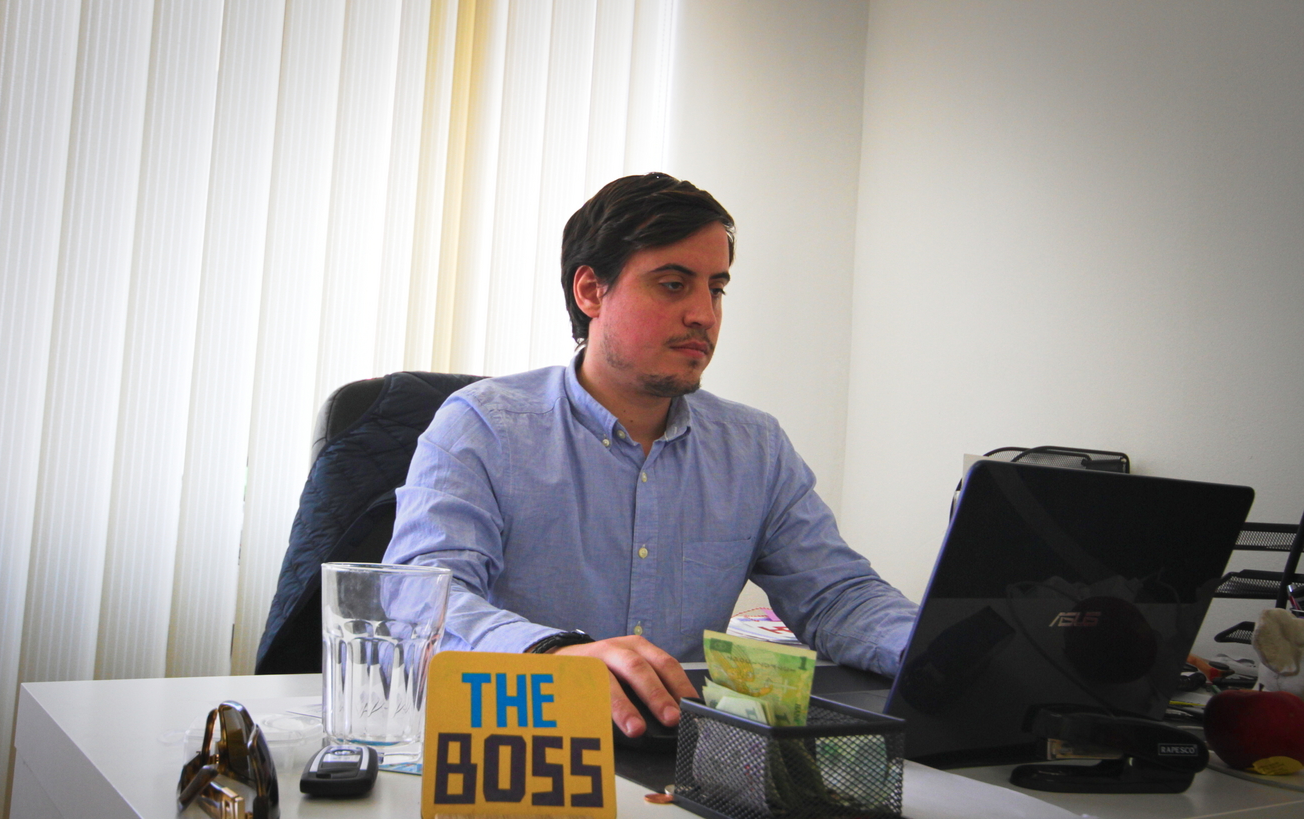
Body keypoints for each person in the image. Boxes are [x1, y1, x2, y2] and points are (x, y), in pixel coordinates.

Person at [384, 173, 918, 738]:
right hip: (523, 742)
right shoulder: (483, 426)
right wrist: (549, 654)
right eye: (672, 284)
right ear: (590, 291)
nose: (704, 316)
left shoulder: (753, 447)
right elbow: (421, 602)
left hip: (685, 754)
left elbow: (836, 595)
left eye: (716, 289)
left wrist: (945, 650)